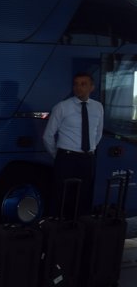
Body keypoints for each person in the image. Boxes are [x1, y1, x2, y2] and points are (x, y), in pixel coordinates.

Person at [42, 71, 104, 215]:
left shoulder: (98, 107)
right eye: (76, 84)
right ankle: (59, 227)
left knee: (84, 197)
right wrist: (58, 155)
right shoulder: (62, 107)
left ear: (92, 87)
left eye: (83, 84)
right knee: (62, 197)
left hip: (87, 159)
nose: (78, 87)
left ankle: (78, 227)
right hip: (66, 158)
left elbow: (98, 133)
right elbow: (48, 136)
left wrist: (90, 149)